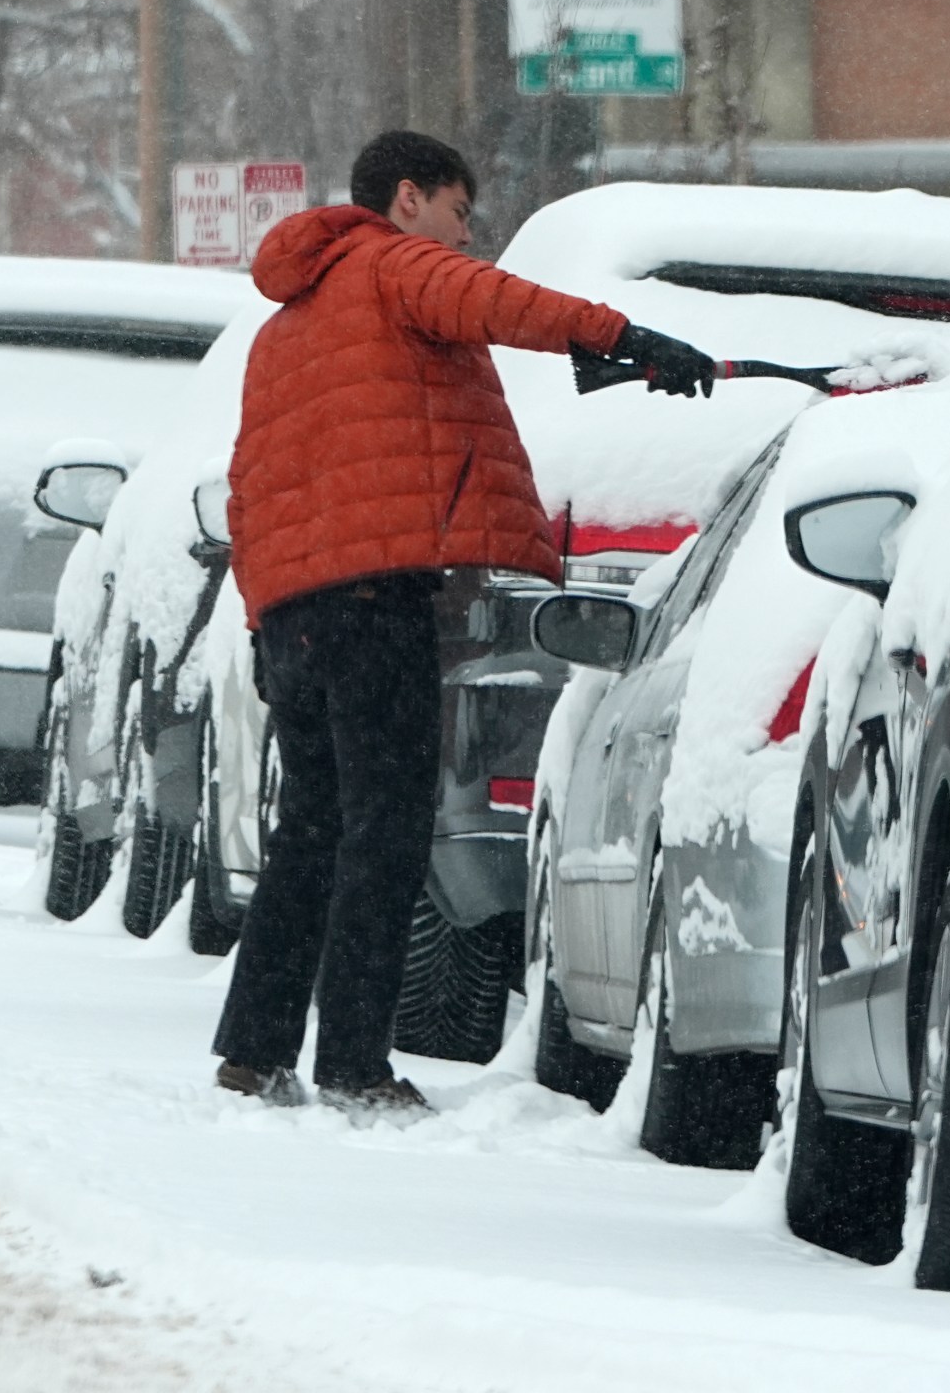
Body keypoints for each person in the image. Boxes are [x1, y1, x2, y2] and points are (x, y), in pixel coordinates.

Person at [211, 131, 716, 1113]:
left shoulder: (286, 328)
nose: (463, 235)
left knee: (310, 832)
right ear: (408, 199)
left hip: (293, 616)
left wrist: (262, 617)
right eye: (457, 212)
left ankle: (255, 1049)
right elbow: (498, 304)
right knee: (388, 832)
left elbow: (249, 484)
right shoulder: (393, 266)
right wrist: (623, 337)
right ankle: (355, 1064)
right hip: (374, 601)